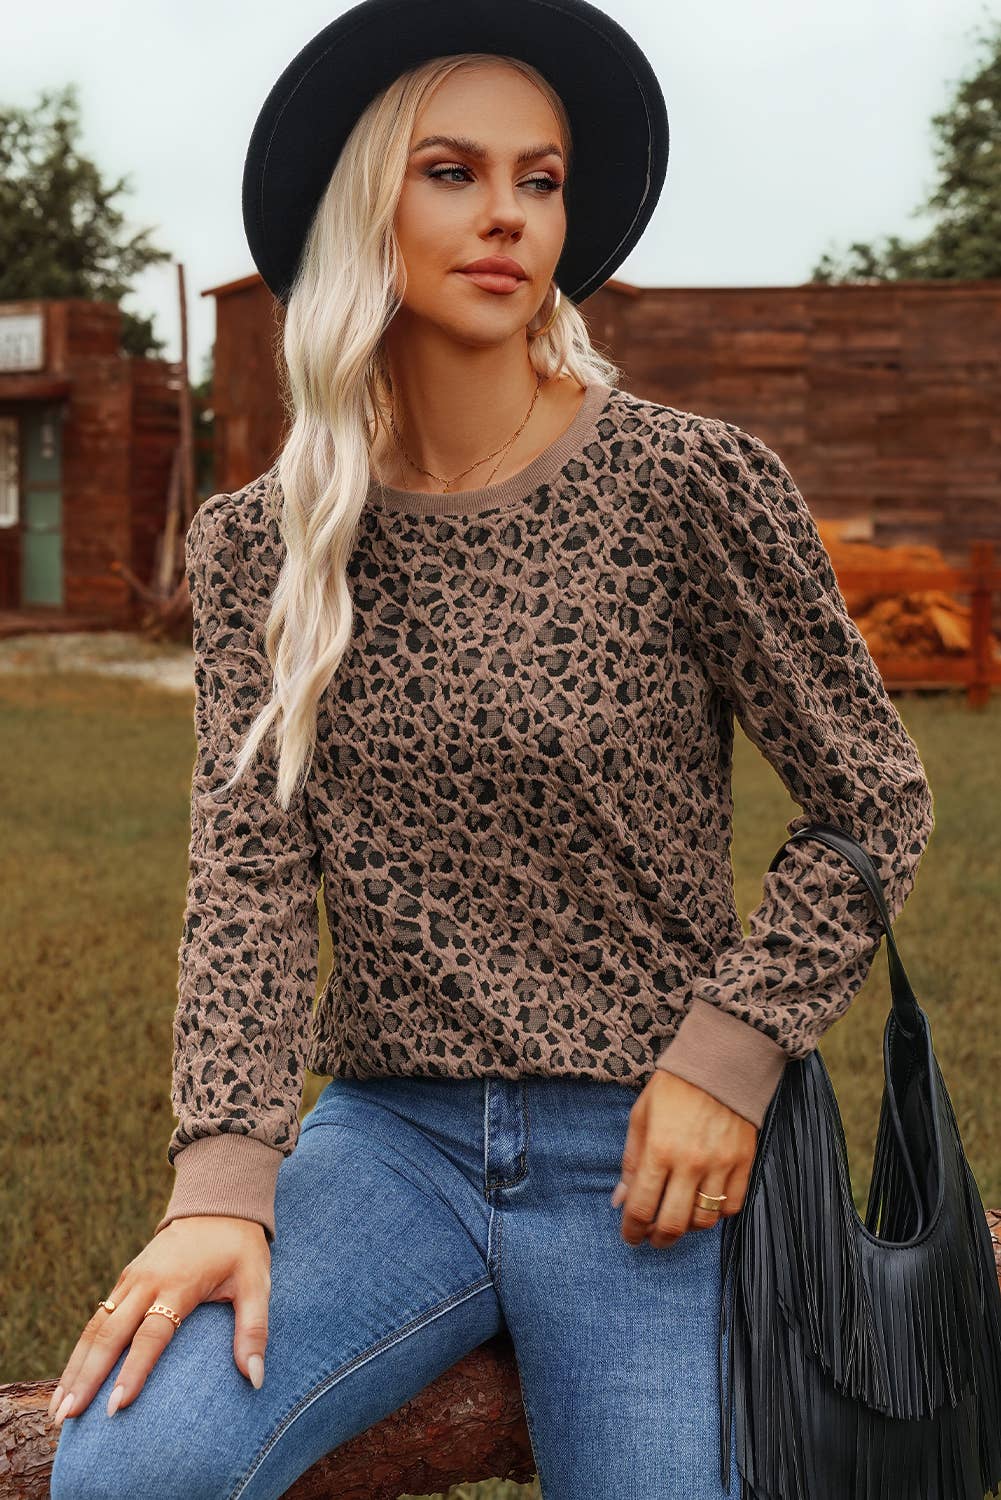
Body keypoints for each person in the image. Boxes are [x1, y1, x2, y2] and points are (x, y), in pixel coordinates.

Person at [49, 2, 935, 1497]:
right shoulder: (266, 543)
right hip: (390, 1147)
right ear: (363, 207)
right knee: (131, 1465)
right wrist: (224, 1185)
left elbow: (872, 797)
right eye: (452, 172)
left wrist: (730, 1059)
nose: (508, 215)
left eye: (541, 179)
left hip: (651, 1157)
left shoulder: (684, 484)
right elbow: (249, 879)